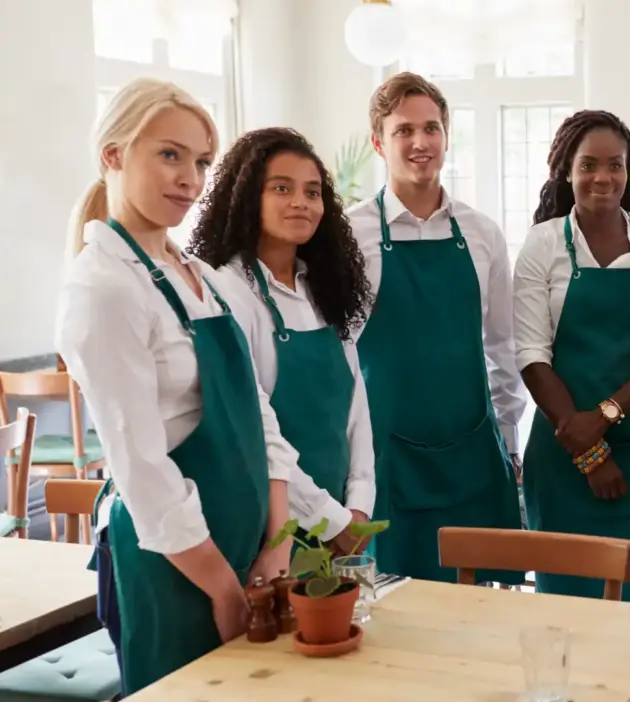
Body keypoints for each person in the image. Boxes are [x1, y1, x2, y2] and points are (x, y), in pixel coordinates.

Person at [56, 79, 297, 696]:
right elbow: (141, 468)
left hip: (248, 553)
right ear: (113, 154)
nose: (190, 178)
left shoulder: (198, 276)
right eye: (170, 155)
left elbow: (256, 416)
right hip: (179, 567)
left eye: (201, 162)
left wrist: (276, 544)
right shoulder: (104, 288)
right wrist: (221, 586)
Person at [346, 72, 525, 584]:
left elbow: (502, 347)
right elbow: (341, 356)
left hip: (472, 451)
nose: (420, 142)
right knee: (396, 612)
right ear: (379, 142)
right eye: (404, 130)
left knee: (479, 610)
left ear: (446, 135)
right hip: (387, 456)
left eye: (431, 128)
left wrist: (507, 440)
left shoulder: (483, 232)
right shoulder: (348, 235)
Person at [513, 110, 630, 605]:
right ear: (567, 170)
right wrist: (587, 449)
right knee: (566, 610)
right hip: (564, 453)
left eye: (616, 165)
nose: (603, 177)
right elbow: (531, 354)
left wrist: (606, 416)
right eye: (589, 164)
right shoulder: (542, 245)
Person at [188, 127, 377, 555]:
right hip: (269, 530)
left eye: (312, 193)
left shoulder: (325, 290)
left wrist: (359, 508)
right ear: (247, 197)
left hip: (344, 530)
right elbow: (255, 434)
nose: (301, 203)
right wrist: (329, 520)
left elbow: (357, 412)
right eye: (281, 188)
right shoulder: (226, 292)